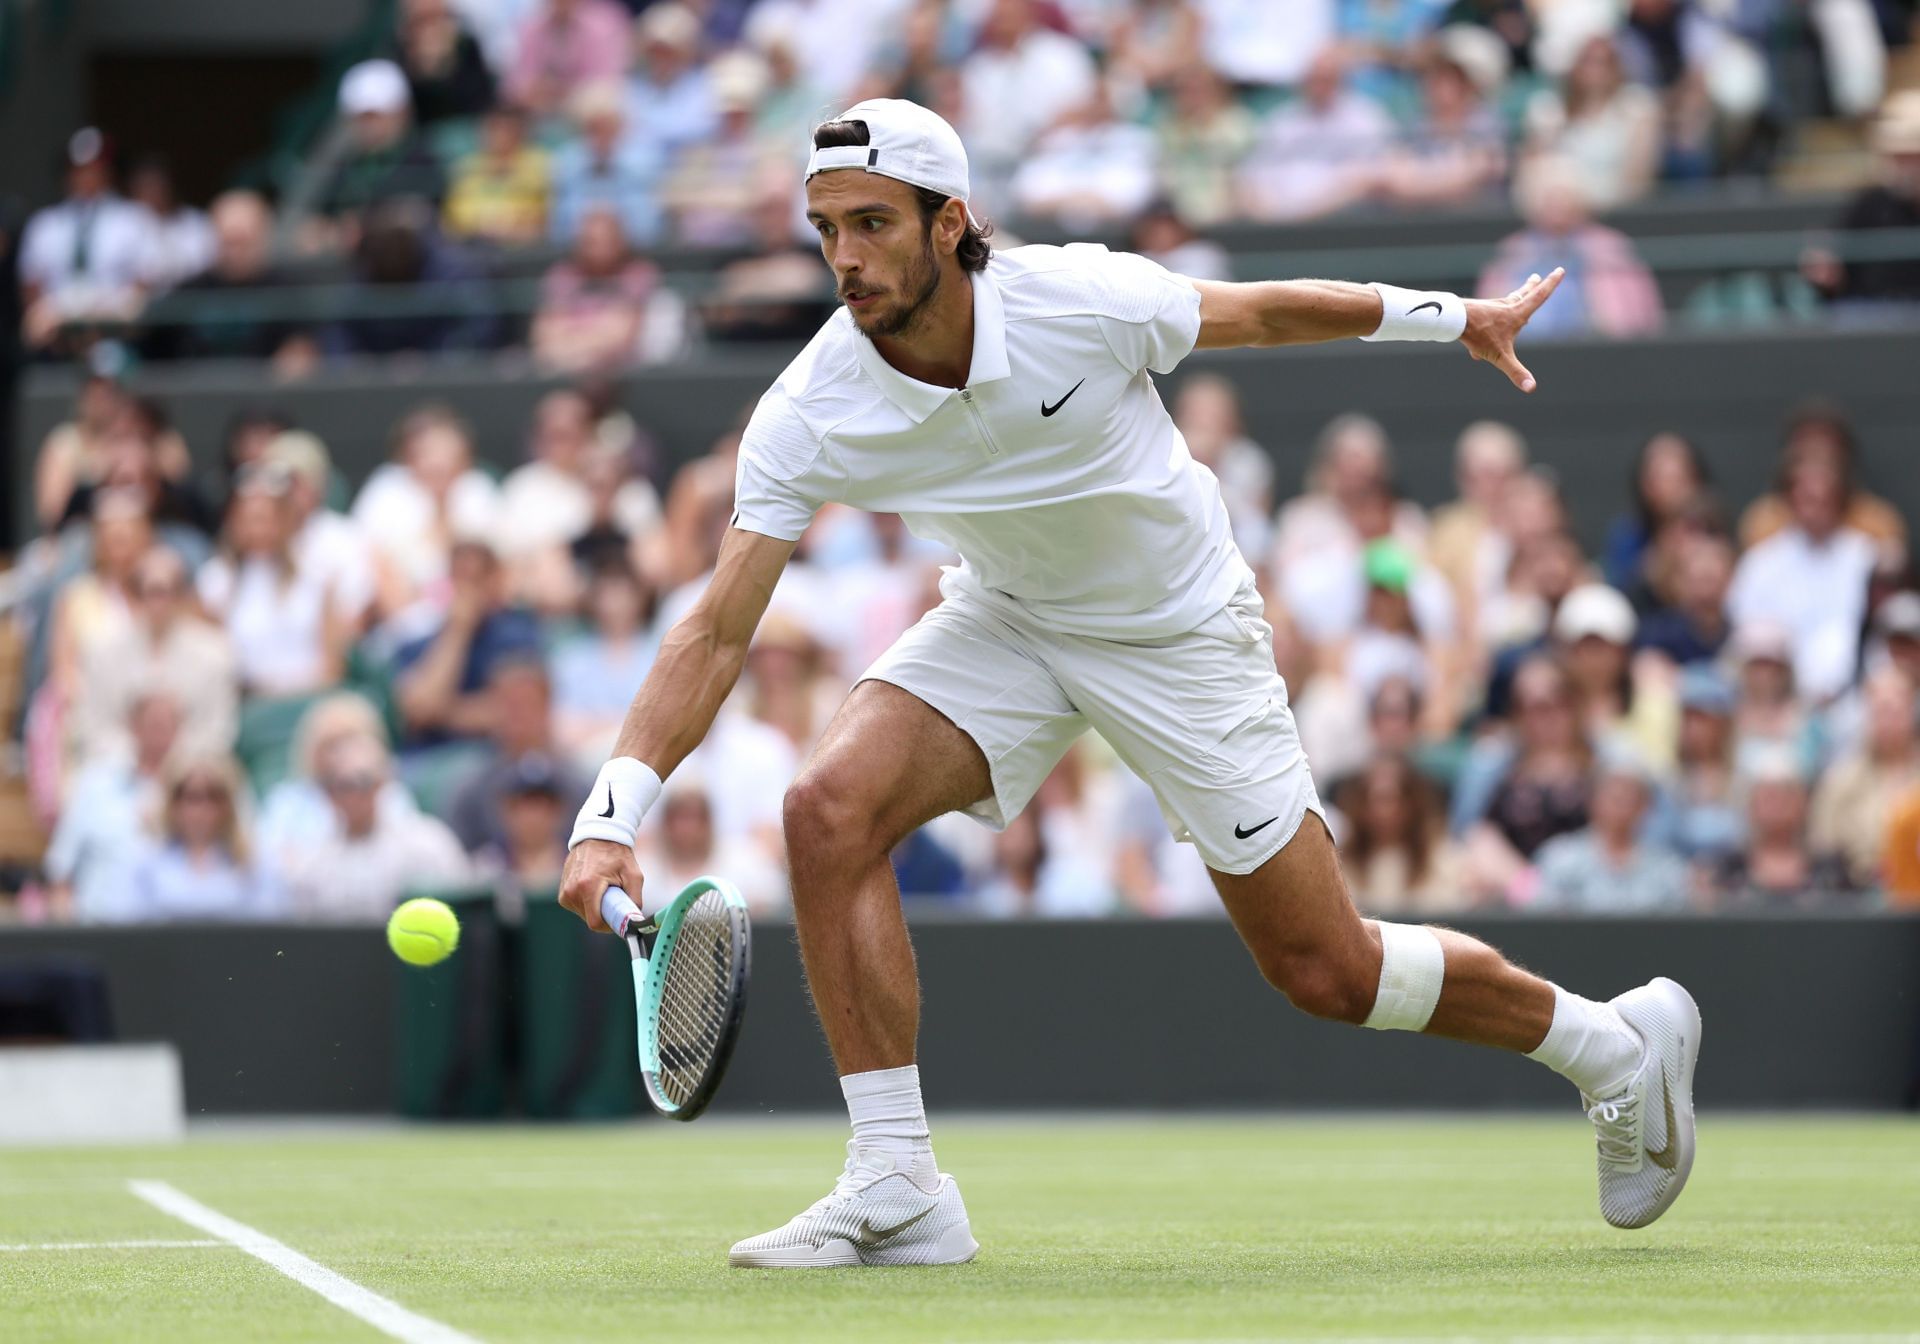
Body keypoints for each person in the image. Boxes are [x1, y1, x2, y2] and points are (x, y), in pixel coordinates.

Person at [555, 98, 1699, 1267]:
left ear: (951, 223)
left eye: (871, 223)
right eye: (825, 228)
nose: (844, 257)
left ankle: (1613, 1046)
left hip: (1179, 632)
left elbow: (1262, 313)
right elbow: (713, 630)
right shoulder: (807, 408)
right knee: (825, 811)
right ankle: (897, 1181)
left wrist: (1460, 319)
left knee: (1326, 968)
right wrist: (610, 816)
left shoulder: (1079, 298)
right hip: (1008, 618)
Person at [276, 733, 469, 921]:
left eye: (363, 782)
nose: (353, 796)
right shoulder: (314, 863)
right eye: (343, 785)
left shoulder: (427, 843)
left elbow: (460, 906)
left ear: (381, 784)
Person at [1477, 157, 1664, 341]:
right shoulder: (1514, 248)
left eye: (1566, 196)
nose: (1559, 206)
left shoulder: (1609, 244)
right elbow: (1487, 319)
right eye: (1550, 197)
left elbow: (1637, 320)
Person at [44, 690, 184, 922]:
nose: (159, 734)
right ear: (133, 726)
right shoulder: (95, 784)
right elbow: (60, 868)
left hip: (172, 931)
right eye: (152, 724)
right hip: (98, 929)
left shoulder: (198, 793)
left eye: (167, 725)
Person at [17, 128, 151, 355]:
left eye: (94, 168)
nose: (86, 176)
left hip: (115, 330)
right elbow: (31, 288)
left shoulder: (134, 220)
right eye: (79, 169)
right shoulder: (45, 224)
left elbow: (144, 284)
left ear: (108, 171)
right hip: (59, 335)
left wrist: (101, 315)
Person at [1808, 666, 1920, 890]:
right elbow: (1823, 848)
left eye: (1896, 710)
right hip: (1859, 895)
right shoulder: (1841, 780)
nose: (1888, 721)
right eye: (1880, 711)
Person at [1533, 754, 1689, 913]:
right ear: (1592, 801)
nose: (1622, 806)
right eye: (1614, 797)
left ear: (1646, 807)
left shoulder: (1667, 868)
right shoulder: (1559, 858)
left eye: (1631, 798)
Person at [125, 755, 273, 921]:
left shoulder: (252, 861)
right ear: (172, 803)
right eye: (191, 798)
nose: (201, 810)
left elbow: (269, 928)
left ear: (228, 805)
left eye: (212, 797)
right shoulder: (147, 860)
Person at [1333, 754, 1465, 916]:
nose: (1381, 811)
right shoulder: (1338, 863)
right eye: (1371, 800)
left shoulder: (1441, 857)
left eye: (1389, 799)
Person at [443, 104, 551, 247]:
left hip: (524, 247)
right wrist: (482, 225)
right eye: (492, 129)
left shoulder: (539, 163)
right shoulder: (466, 166)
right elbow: (454, 216)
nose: (498, 135)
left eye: (506, 129)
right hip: (474, 245)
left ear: (519, 131)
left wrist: (507, 225)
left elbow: (542, 213)